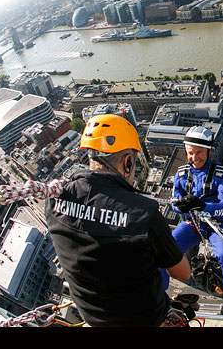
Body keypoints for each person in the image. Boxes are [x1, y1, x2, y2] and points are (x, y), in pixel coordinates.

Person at [45, 114, 191, 327]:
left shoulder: (55, 198)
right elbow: (183, 273)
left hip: (93, 320)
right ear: (128, 161)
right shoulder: (143, 212)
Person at [171, 126, 223, 317]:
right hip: (193, 223)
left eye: (199, 152)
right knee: (166, 246)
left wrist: (203, 206)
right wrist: (181, 206)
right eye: (190, 153)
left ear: (209, 151)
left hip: (217, 224)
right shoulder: (182, 173)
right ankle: (158, 286)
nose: (194, 158)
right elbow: (174, 202)